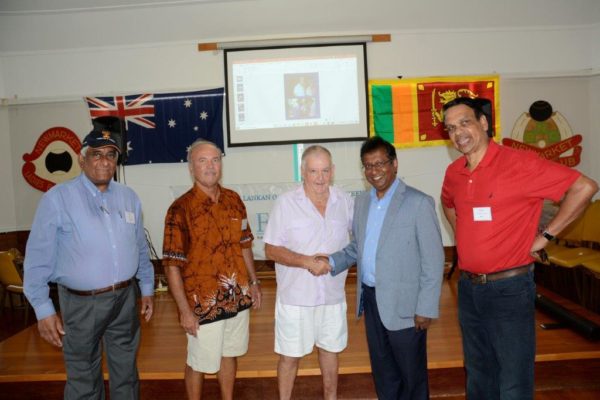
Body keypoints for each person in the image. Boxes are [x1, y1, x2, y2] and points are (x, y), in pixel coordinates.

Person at [441, 97, 599, 400]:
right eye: (450, 128)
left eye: (465, 122)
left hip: (510, 289)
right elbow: (448, 203)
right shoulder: (454, 173)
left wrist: (546, 237)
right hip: (470, 289)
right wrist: (465, 238)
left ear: (484, 123)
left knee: (513, 379)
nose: (458, 132)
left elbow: (585, 187)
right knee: (478, 372)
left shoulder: (519, 163)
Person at [24, 122, 155, 400]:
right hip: (81, 304)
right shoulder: (57, 199)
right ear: (82, 160)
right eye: (96, 154)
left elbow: (140, 248)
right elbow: (36, 259)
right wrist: (42, 308)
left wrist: (146, 289)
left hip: (125, 299)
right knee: (84, 378)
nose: (104, 161)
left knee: (127, 374)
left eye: (111, 155)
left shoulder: (129, 197)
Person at [328, 136, 444, 400]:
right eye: (368, 166)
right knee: (384, 374)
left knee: (411, 377)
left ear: (394, 164)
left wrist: (425, 308)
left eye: (380, 164)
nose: (374, 171)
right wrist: (331, 261)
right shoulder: (362, 203)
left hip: (406, 306)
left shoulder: (419, 202)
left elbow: (433, 260)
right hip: (371, 300)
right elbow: (358, 247)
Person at [162, 139, 262, 400]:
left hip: (237, 297)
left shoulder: (234, 200)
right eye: (202, 160)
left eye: (215, 160)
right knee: (199, 362)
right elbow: (172, 265)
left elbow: (245, 244)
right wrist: (184, 310)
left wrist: (254, 282)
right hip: (201, 304)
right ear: (191, 167)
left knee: (230, 354)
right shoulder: (179, 210)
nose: (210, 166)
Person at [263, 145, 353, 400]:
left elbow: (357, 243)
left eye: (325, 170)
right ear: (303, 171)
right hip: (296, 299)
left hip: (333, 296)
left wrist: (335, 261)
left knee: (330, 352)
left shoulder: (344, 201)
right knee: (289, 358)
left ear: (333, 171)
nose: (320, 178)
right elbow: (270, 249)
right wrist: (305, 261)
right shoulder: (286, 203)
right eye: (313, 171)